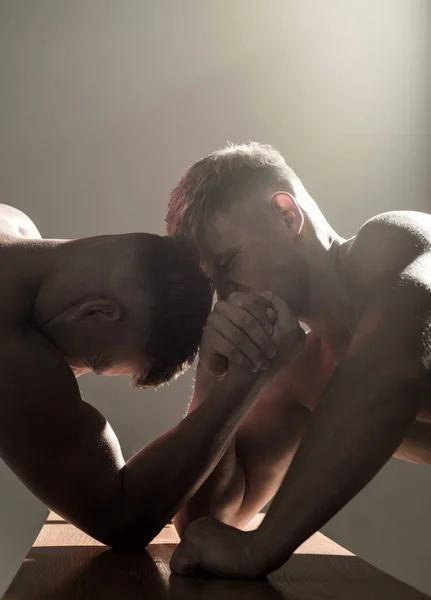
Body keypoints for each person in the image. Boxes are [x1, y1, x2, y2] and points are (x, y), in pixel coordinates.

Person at [165, 142, 431, 579]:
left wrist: (263, 547)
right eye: (211, 281)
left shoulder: (396, 241)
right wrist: (214, 381)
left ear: (287, 215)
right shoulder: (306, 372)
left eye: (229, 262)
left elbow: (390, 376)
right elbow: (212, 519)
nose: (225, 295)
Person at [0, 203, 297, 548]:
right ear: (97, 312)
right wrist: (247, 381)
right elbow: (122, 516)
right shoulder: (10, 346)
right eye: (94, 362)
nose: (73, 374)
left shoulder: (14, 223)